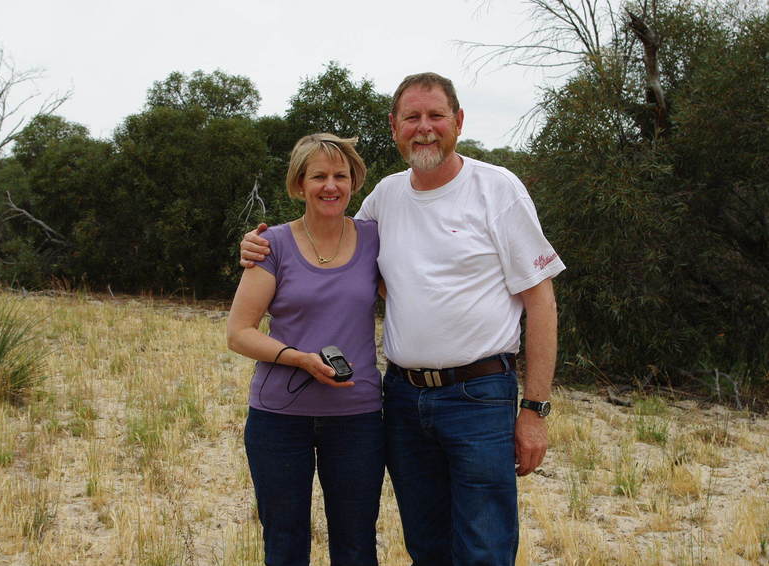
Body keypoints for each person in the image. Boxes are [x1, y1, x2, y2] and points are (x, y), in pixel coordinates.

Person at [241, 73, 564, 566]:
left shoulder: (497, 188)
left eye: (436, 116)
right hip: (403, 399)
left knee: (484, 546)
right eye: (412, 117)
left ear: (458, 121)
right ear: (394, 127)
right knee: (426, 543)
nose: (424, 128)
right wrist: (260, 247)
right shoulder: (384, 200)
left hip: (479, 396)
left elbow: (540, 300)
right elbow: (332, 243)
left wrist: (534, 409)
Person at [226, 133, 384, 566]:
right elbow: (240, 332)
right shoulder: (271, 244)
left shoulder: (374, 239)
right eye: (318, 176)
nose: (330, 186)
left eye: (340, 175)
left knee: (355, 544)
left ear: (354, 182)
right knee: (285, 541)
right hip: (279, 418)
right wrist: (299, 358)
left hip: (357, 418)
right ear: (299, 184)